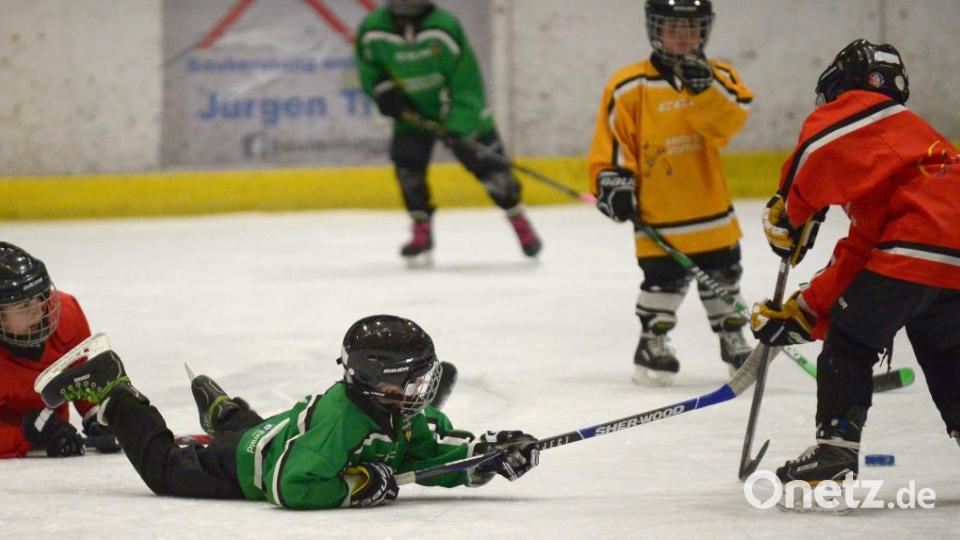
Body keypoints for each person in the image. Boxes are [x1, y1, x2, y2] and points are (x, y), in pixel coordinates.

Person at [39, 314, 539, 509]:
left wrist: (483, 456)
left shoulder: (395, 409)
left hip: (278, 434)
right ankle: (116, 388)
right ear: (378, 380)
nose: (425, 386)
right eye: (413, 376)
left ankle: (227, 412)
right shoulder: (344, 421)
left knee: (262, 432)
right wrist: (357, 485)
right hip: (248, 467)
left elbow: (426, 453)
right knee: (165, 468)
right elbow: (290, 486)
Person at [750, 39, 960, 488]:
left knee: (851, 340)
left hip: (916, 249)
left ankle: (835, 451)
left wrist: (791, 208)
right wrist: (804, 313)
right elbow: (863, 254)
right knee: (946, 350)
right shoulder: (907, 155)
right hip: (947, 262)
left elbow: (814, 150)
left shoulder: (861, 110)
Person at [587, 0, 754, 385]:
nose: (682, 37)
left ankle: (732, 336)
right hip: (658, 213)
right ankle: (652, 341)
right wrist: (613, 181)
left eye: (691, 28)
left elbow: (726, 126)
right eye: (672, 27)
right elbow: (612, 144)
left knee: (724, 276)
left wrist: (705, 89)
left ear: (704, 30)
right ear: (655, 28)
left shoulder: (721, 76)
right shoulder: (629, 86)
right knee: (662, 283)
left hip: (712, 212)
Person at [355, 0, 542, 265]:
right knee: (408, 168)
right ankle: (421, 229)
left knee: (494, 172)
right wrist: (382, 90)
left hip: (460, 112)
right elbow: (368, 67)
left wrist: (459, 126)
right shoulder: (373, 28)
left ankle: (517, 218)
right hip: (413, 115)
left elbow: (467, 82)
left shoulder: (443, 27)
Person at [0, 242, 118, 458]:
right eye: (23, 306)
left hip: (53, 432)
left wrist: (95, 414)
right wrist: (25, 435)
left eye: (39, 297)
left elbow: (83, 372)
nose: (37, 312)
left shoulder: (67, 314)